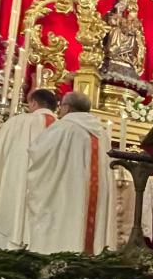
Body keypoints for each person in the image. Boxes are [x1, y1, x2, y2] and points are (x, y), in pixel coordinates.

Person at [0, 89, 58, 249]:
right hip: (49, 193)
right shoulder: (63, 127)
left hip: (15, 185)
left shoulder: (18, 122)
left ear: (34, 103)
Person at [24, 91, 113, 254]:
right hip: (92, 194)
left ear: (67, 107)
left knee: (63, 228)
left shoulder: (62, 127)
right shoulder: (102, 132)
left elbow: (38, 154)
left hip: (65, 192)